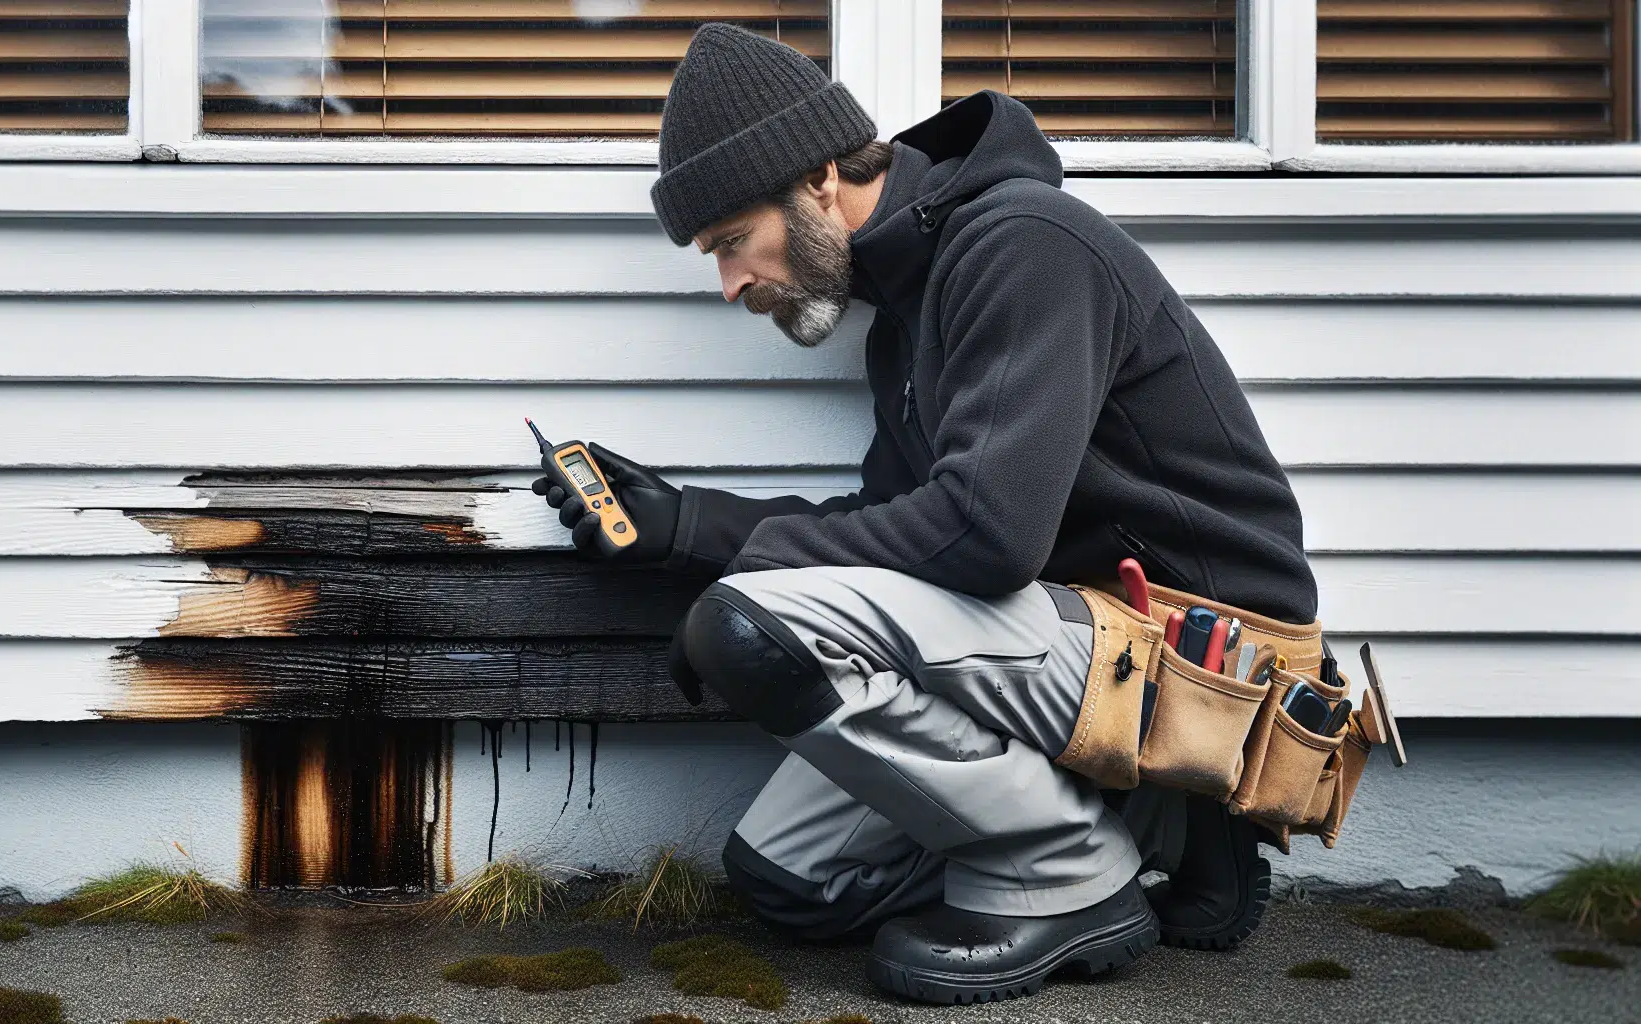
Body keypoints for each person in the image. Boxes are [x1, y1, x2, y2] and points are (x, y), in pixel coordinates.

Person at [531, 23, 1319, 1004]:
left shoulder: (1023, 245)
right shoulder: (903, 317)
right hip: (1075, 640)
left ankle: (1075, 873)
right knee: (796, 883)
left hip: (1207, 661)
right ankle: (1156, 822)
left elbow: (985, 535)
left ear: (817, 179)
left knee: (750, 624)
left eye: (732, 242)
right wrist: (688, 521)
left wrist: (732, 568)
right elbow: (900, 523)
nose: (730, 283)